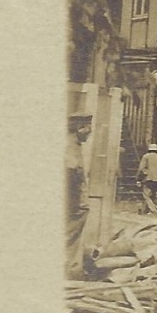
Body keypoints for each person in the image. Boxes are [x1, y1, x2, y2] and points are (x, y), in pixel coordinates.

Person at [65, 113, 94, 278]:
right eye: (87, 127)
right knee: (68, 236)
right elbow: (70, 171)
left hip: (74, 202)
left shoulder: (74, 144)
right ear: (79, 128)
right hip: (74, 203)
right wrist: (74, 201)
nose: (90, 131)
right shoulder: (71, 146)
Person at [136, 142, 157, 214]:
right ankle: (147, 211)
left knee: (146, 196)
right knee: (152, 195)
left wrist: (139, 179)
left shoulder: (146, 157)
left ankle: (153, 209)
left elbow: (141, 168)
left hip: (147, 179)